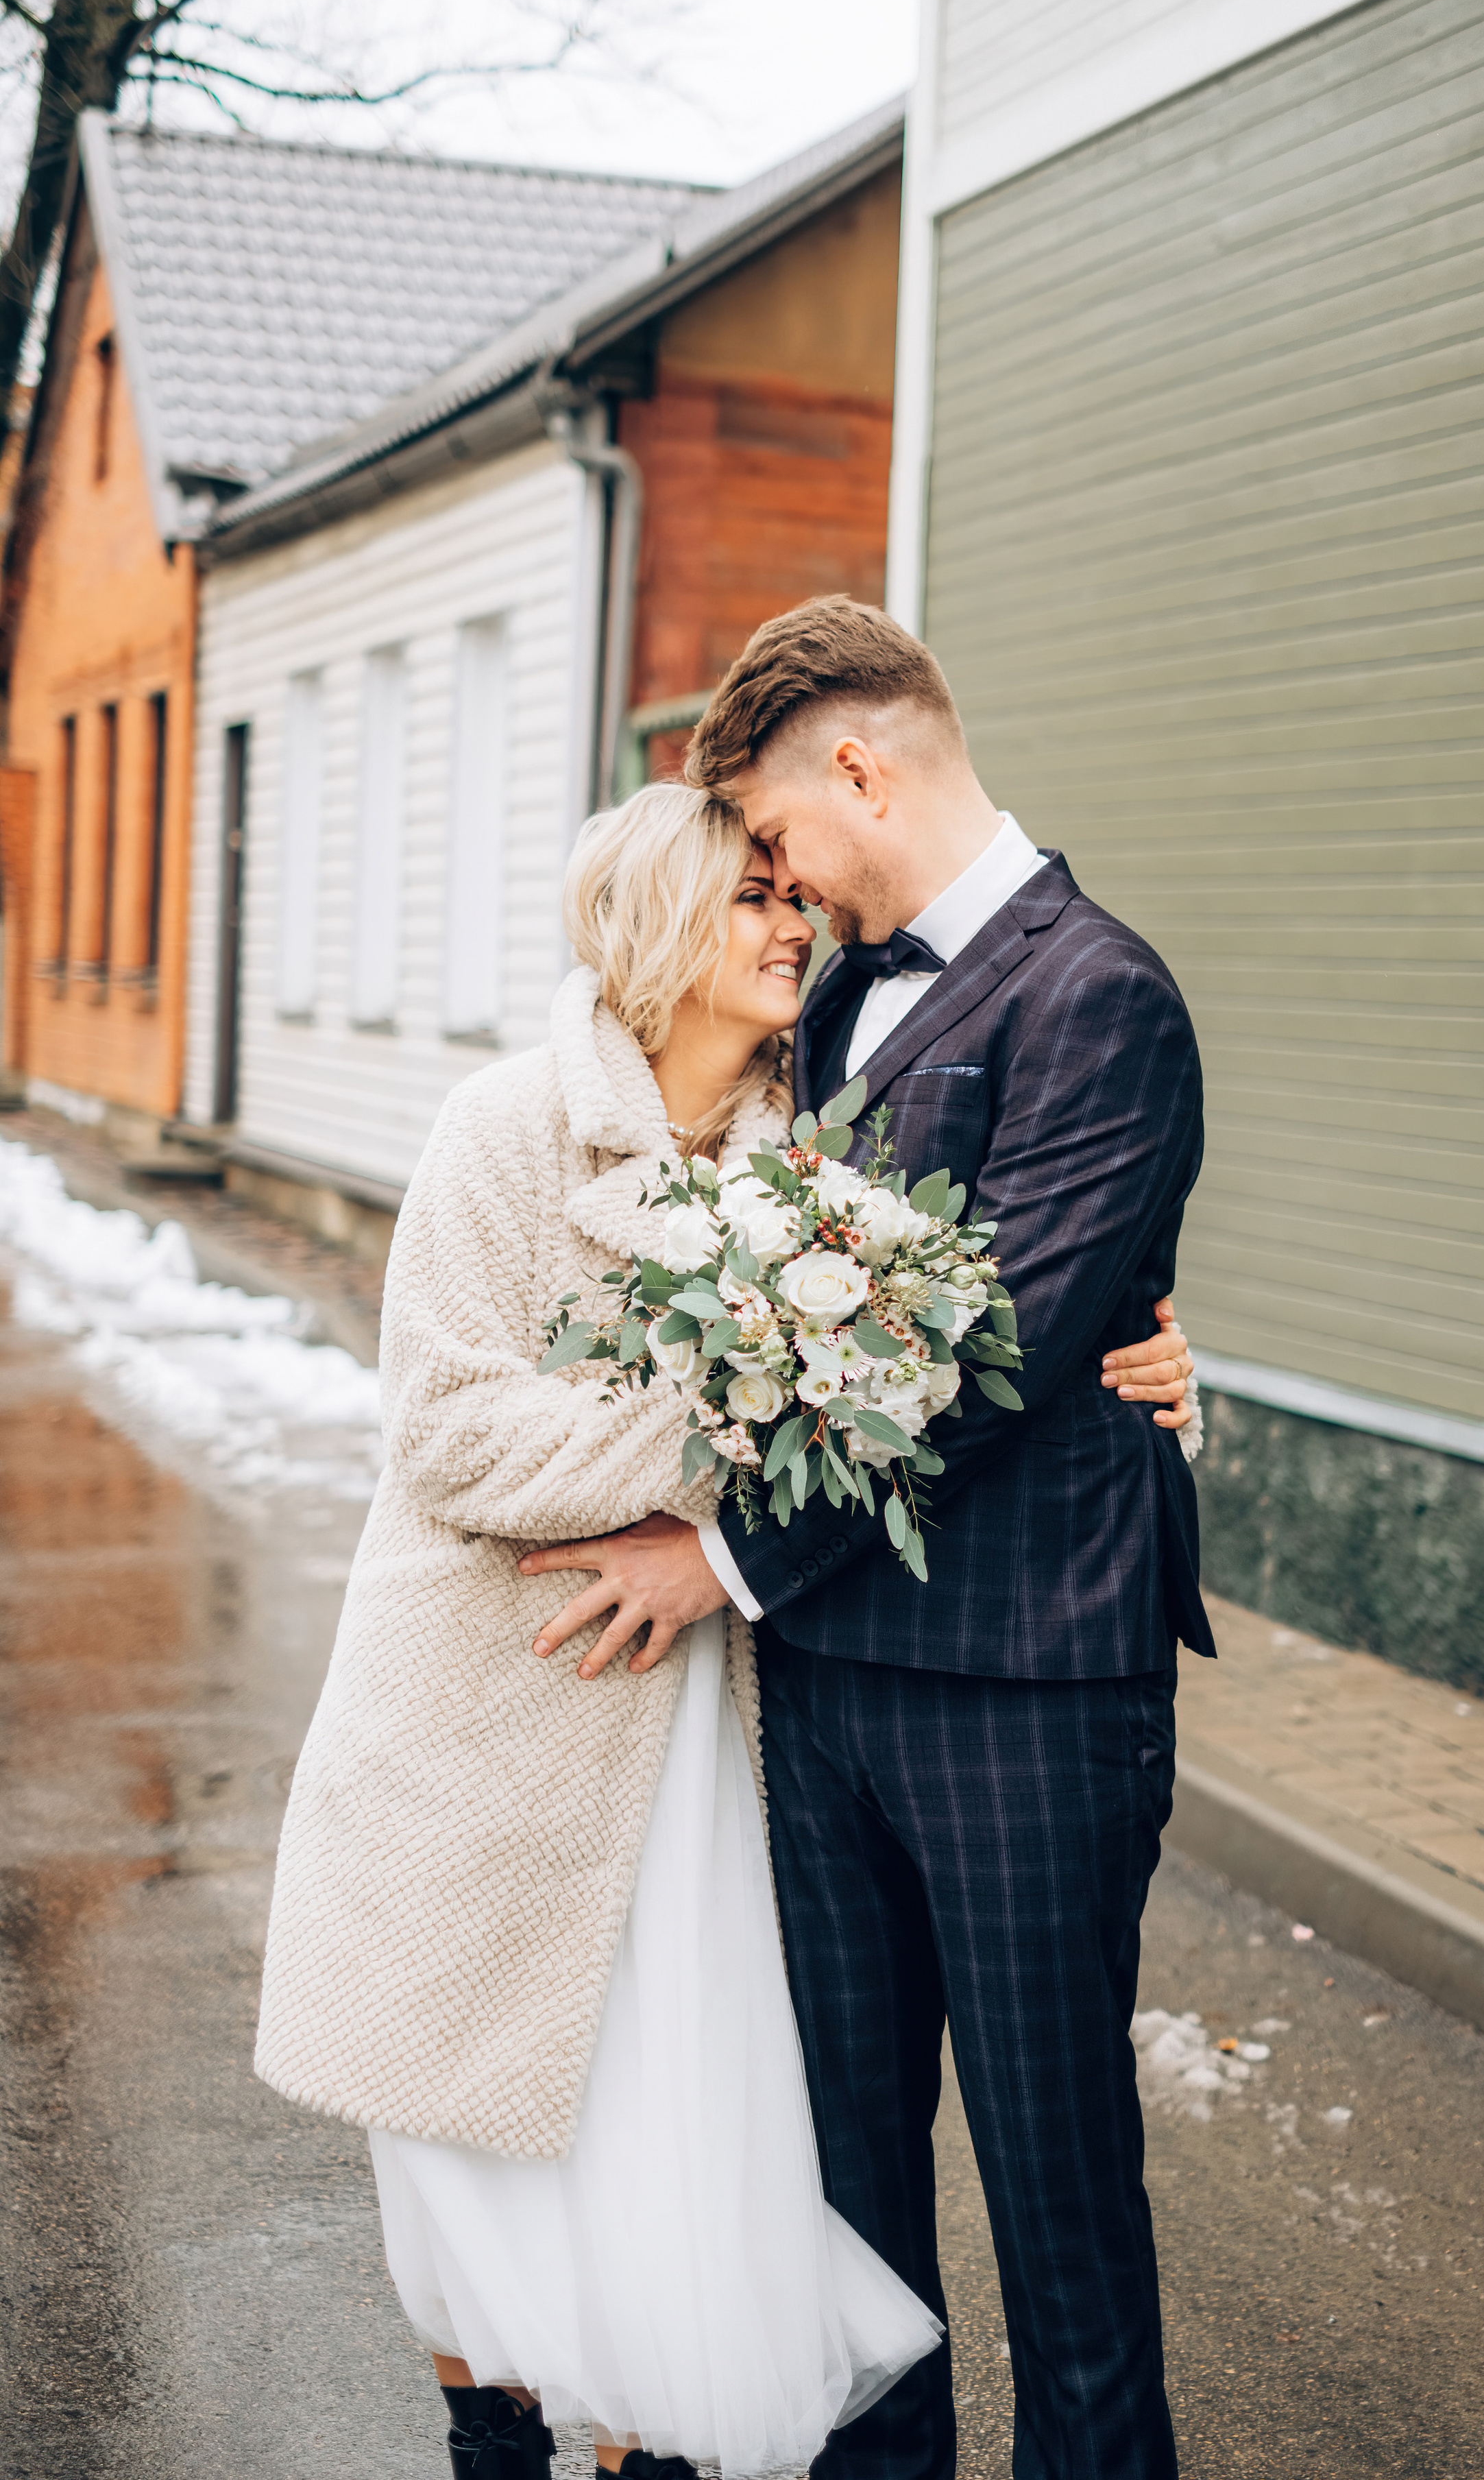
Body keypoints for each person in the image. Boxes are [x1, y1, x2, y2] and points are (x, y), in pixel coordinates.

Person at [255, 773, 1193, 2479]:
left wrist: (1144, 1360)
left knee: (661, 2161)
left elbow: (969, 1325)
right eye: (749, 898)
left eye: (788, 898)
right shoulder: (504, 1128)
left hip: (705, 1731)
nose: (792, 924)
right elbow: (450, 1432)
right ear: (651, 931)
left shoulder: (827, 1144)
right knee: (480, 2171)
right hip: (494, 1708)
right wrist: (730, 1433)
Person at [520, 598, 1208, 2480]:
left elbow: (979, 1362)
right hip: (816, 1698)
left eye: (774, 836)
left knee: (1061, 2211)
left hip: (1024, 1694)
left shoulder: (1105, 997)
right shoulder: (822, 1003)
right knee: (843, 2217)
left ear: (855, 765)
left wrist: (720, 1564)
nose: (781, 882)